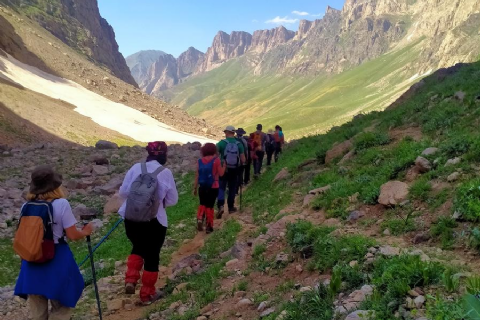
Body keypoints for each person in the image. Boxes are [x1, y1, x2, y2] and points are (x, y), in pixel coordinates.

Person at [14, 165, 93, 320]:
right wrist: (85, 232)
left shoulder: (26, 206)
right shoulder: (61, 204)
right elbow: (72, 235)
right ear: (55, 185)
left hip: (31, 262)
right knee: (62, 306)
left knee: (37, 311)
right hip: (56, 259)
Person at [119, 141, 178, 305]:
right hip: (155, 220)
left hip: (131, 217)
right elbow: (173, 200)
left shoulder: (135, 168)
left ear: (148, 154)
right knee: (152, 255)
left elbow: (123, 192)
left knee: (137, 246)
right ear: (164, 155)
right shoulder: (165, 172)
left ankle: (130, 280)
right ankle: (147, 295)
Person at [193, 143, 225, 234]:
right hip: (213, 186)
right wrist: (224, 166)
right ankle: (209, 226)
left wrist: (195, 188)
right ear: (214, 150)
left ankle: (199, 218)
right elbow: (221, 174)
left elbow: (197, 176)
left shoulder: (200, 161)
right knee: (210, 206)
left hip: (202, 187)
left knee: (202, 203)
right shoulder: (216, 160)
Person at [216, 125, 246, 216]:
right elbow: (243, 159)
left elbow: (214, 155)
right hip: (234, 169)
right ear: (233, 133)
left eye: (225, 132)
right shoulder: (239, 144)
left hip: (223, 169)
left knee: (221, 187)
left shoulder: (221, 143)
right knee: (232, 188)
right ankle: (230, 207)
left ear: (227, 132)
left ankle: (220, 205)